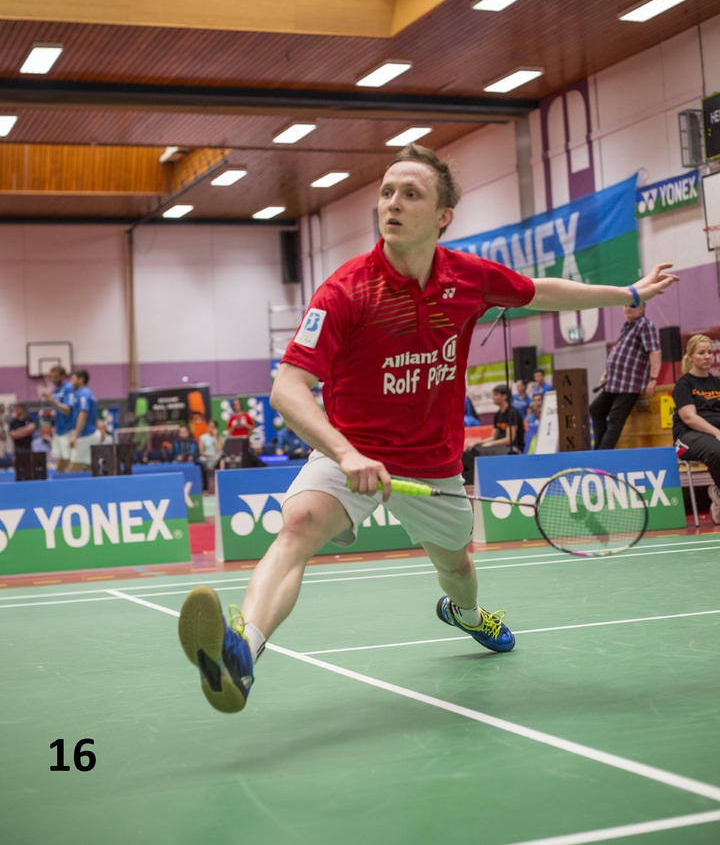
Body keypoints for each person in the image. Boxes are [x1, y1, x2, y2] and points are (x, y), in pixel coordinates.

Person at [177, 143, 678, 715]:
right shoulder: (346, 291)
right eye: (387, 192)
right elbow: (287, 389)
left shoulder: (468, 278)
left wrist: (628, 293)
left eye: (410, 194)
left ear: (443, 216)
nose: (392, 203)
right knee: (299, 525)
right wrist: (344, 454)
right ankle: (241, 652)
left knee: (456, 568)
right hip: (351, 452)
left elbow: (540, 290)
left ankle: (466, 615)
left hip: (434, 464)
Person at [589, 300, 661, 450]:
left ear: (642, 308)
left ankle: (603, 453)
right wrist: (606, 372)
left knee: (615, 419)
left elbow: (654, 351)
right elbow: (618, 352)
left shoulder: (644, 325)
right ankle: (599, 451)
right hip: (614, 382)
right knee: (596, 409)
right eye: (626, 305)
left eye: (632, 305)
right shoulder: (627, 327)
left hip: (629, 384)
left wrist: (653, 379)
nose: (628, 308)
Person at [672, 334, 720, 524]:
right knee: (717, 450)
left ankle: (717, 492)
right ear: (690, 356)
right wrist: (716, 432)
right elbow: (689, 418)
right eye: (701, 353)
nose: (707, 356)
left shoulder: (717, 383)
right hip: (687, 438)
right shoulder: (684, 384)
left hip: (714, 435)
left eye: (709, 352)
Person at [40, 364, 75, 472]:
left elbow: (67, 410)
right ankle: (60, 480)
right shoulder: (55, 389)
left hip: (68, 430)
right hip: (58, 430)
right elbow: (58, 410)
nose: (53, 379)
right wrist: (46, 414)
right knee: (58, 460)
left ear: (63, 376)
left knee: (68, 459)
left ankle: (71, 480)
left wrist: (51, 400)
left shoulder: (68, 388)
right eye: (51, 376)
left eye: (56, 376)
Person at [68, 369, 100, 471]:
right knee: (92, 467)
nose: (70, 382)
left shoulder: (83, 394)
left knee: (72, 470)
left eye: (73, 379)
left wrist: (75, 436)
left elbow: (83, 414)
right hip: (90, 434)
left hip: (85, 435)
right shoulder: (86, 393)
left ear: (81, 380)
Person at [479, 384, 524, 453]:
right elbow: (494, 437)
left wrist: (491, 444)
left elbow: (509, 440)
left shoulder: (512, 413)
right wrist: (478, 443)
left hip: (513, 448)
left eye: (496, 394)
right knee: (475, 449)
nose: (493, 397)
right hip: (500, 447)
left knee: (485, 450)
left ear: (504, 396)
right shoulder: (497, 414)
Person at [199, 419, 224, 492]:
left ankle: (222, 477)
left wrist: (215, 437)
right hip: (207, 457)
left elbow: (219, 450)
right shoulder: (203, 437)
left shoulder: (219, 437)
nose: (211, 428)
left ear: (216, 428)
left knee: (222, 457)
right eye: (210, 426)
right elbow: (201, 452)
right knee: (222, 457)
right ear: (207, 427)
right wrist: (212, 454)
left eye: (213, 427)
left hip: (217, 458)